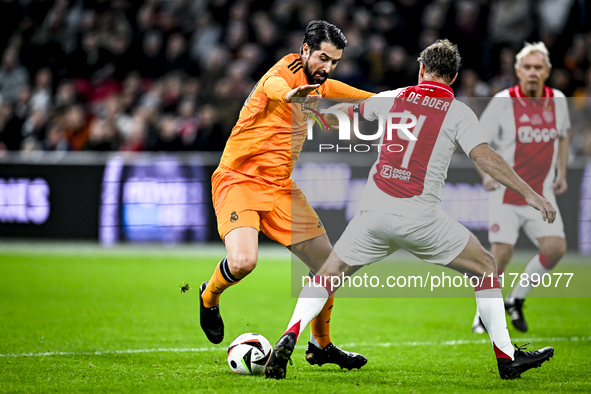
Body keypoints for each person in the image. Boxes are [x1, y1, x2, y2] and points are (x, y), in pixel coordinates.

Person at [265, 39, 555, 380]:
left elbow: (345, 115)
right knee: (486, 267)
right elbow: (483, 157)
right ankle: (507, 358)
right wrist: (530, 193)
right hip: (420, 218)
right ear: (454, 77)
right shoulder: (459, 111)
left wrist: (309, 111)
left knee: (327, 274)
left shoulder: (394, 96)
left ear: (421, 70)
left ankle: (289, 334)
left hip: (372, 214)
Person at [199, 20, 373, 370]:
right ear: (305, 50)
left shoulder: (316, 85)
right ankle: (209, 296)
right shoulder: (287, 71)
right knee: (244, 262)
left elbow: (344, 93)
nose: (327, 67)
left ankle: (320, 347)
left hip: (280, 187)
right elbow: (275, 84)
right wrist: (290, 95)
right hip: (240, 180)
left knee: (329, 267)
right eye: (323, 57)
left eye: (334, 61)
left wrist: (391, 101)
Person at [472, 42, 570, 334]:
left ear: (548, 71)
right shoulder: (503, 101)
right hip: (506, 192)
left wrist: (562, 172)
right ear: (517, 71)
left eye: (538, 67)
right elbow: (477, 142)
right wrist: (485, 176)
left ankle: (515, 299)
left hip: (542, 193)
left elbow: (563, 136)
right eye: (526, 67)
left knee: (555, 249)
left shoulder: (558, 100)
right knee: (500, 255)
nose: (532, 72)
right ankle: (483, 314)